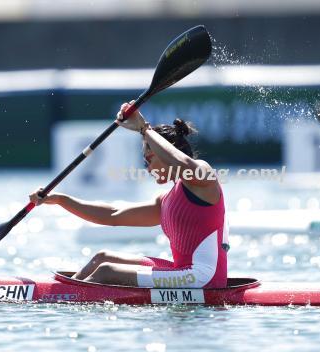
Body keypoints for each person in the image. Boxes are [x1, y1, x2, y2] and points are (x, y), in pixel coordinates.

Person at [29, 102, 229, 288]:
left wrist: (145, 129)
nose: (148, 168)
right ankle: (60, 294)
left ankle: (66, 303)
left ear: (166, 151)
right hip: (182, 272)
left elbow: (183, 164)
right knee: (102, 258)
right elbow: (113, 214)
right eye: (145, 163)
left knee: (107, 272)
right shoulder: (166, 200)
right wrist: (60, 200)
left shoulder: (204, 178)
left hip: (203, 277)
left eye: (149, 159)